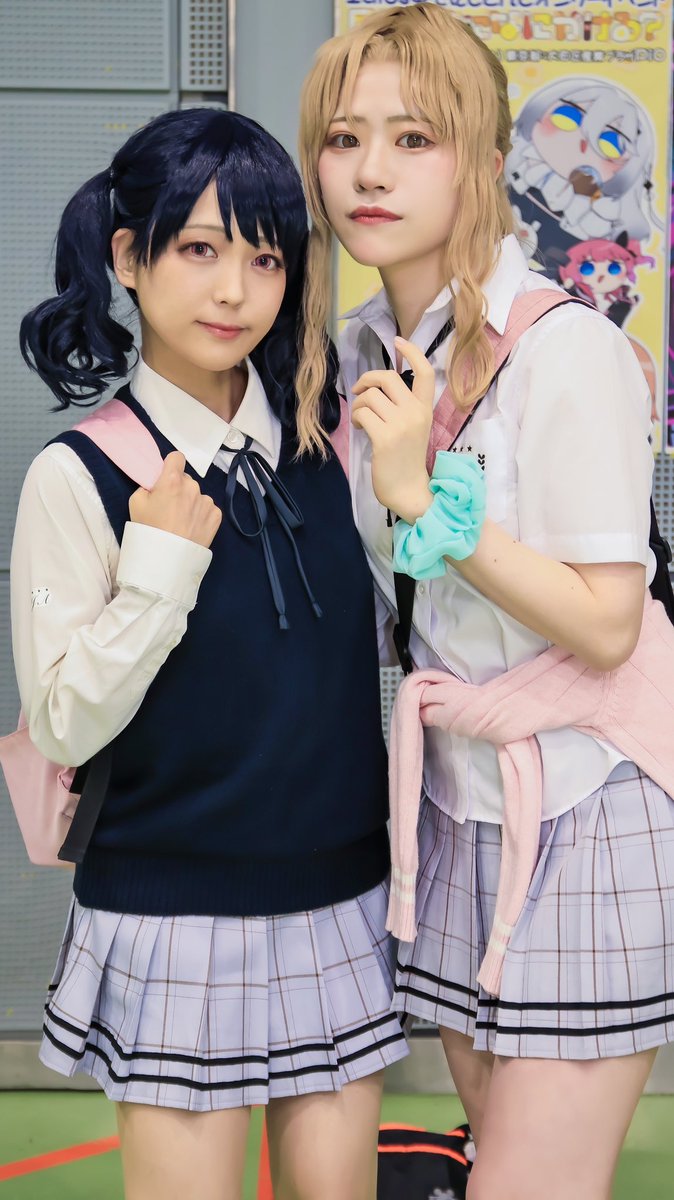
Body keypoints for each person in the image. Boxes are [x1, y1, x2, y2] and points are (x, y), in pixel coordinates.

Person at [297, 6, 674, 1198]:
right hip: (456, 807)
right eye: (344, 137)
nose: (369, 171)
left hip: (585, 796)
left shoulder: (566, 350)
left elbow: (606, 621)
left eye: (413, 138)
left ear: (485, 159)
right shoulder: (363, 348)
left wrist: (425, 503)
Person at [12, 107, 408, 1200]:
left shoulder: (333, 443)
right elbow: (62, 724)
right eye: (198, 249)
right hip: (171, 911)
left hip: (339, 895)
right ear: (127, 258)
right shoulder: (79, 474)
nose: (234, 291)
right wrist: (159, 570)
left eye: (265, 259)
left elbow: (392, 634)